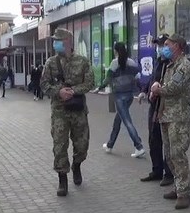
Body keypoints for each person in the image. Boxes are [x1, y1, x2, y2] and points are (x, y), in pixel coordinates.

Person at [40, 28, 95, 197]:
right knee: (59, 145)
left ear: (68, 42)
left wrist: (72, 91)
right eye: (54, 41)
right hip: (59, 112)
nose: (55, 44)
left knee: (82, 144)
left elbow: (91, 82)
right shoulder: (50, 63)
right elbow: (43, 85)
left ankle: (77, 165)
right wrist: (59, 92)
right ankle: (62, 179)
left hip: (78, 110)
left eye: (58, 41)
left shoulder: (83, 61)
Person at [150, 34, 190, 210]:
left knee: (178, 155)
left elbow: (174, 88)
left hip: (178, 118)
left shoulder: (184, 66)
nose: (164, 48)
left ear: (177, 46)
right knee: (169, 155)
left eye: (167, 45)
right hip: (166, 116)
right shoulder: (169, 66)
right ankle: (178, 187)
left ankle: (184, 194)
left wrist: (157, 89)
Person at [97, 42, 146, 158]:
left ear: (116, 51)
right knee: (118, 121)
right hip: (129, 96)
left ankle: (139, 146)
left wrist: (99, 88)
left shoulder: (115, 63)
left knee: (127, 122)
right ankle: (110, 145)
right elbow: (138, 78)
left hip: (119, 96)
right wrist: (142, 90)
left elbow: (108, 79)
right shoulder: (131, 62)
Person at [140, 34, 174, 186]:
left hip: (166, 107)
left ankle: (169, 173)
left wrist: (159, 89)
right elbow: (153, 78)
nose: (159, 48)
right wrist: (144, 90)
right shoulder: (159, 61)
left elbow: (173, 86)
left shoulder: (173, 64)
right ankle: (157, 170)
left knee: (167, 141)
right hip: (154, 106)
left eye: (162, 45)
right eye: (158, 46)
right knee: (153, 139)